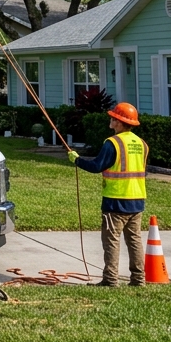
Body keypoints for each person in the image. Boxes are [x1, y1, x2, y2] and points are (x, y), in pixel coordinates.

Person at [68, 102, 148, 287]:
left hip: (115, 201)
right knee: (134, 240)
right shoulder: (142, 144)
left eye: (113, 117)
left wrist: (77, 160)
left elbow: (97, 166)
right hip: (137, 200)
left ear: (119, 122)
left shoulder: (113, 143)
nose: (110, 120)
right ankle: (138, 279)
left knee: (111, 240)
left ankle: (110, 280)